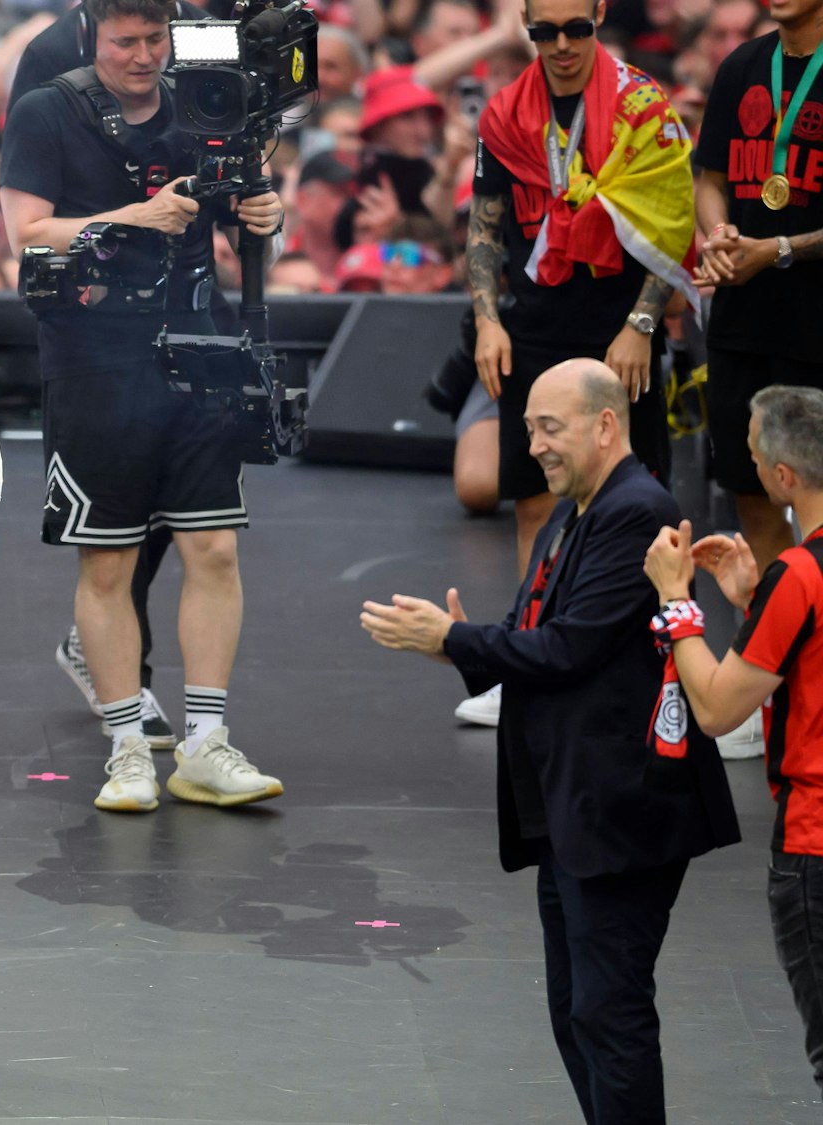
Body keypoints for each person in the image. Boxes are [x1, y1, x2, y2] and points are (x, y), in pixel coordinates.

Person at [361, 358, 739, 1125]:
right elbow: (535, 632)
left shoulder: (635, 510)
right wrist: (456, 643)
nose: (532, 444)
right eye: (529, 426)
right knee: (579, 1008)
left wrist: (461, 637)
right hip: (575, 812)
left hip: (621, 813)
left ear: (606, 425)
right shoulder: (579, 509)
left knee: (608, 1008)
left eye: (549, 427)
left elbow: (568, 647)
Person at [0, 0, 284, 813]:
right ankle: (127, 744)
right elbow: (26, 230)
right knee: (109, 559)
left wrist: (267, 212)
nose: (143, 56)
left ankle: (205, 740)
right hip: (93, 355)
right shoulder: (46, 109)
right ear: (94, 38)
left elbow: (250, 215)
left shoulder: (208, 102)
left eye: (156, 39)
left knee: (214, 550)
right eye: (126, 41)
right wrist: (130, 217)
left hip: (201, 346)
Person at [460, 0, 697, 729]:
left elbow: (671, 219)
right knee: (535, 494)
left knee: (643, 496)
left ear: (598, 18)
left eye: (575, 30)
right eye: (543, 32)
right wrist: (488, 320)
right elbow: (485, 222)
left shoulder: (642, 106)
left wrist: (641, 324)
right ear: (526, 27)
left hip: (620, 314)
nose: (560, 46)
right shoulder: (505, 114)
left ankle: (663, 665)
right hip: (536, 314)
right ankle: (531, 657)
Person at [642, 384, 823, 1101]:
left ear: (784, 477)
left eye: (750, 457)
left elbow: (716, 707)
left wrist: (676, 603)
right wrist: (754, 605)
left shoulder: (802, 575)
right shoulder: (792, 584)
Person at [691, 0, 823, 570]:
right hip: (742, 323)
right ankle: (778, 640)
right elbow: (710, 180)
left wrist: (777, 251)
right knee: (752, 492)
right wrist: (719, 234)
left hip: (816, 324)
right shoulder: (742, 65)